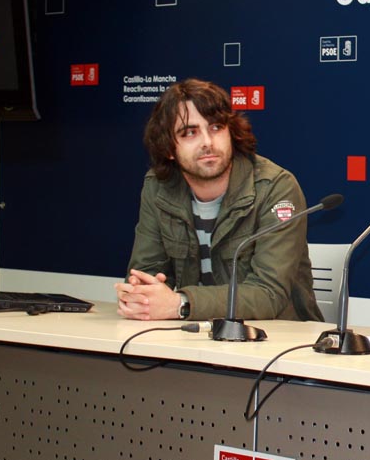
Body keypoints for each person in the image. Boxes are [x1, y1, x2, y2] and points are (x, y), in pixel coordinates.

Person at [116, 78, 323, 322]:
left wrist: (181, 304)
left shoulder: (275, 187)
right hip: (193, 337)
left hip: (274, 339)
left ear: (231, 133)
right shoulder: (158, 187)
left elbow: (268, 294)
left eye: (216, 128)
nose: (207, 142)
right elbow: (147, 271)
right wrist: (142, 294)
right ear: (169, 148)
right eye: (190, 132)